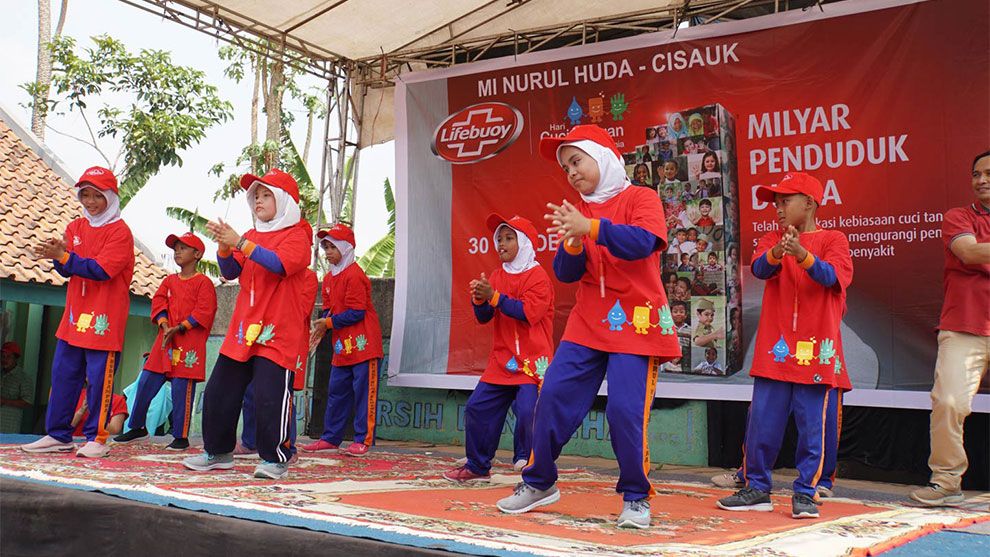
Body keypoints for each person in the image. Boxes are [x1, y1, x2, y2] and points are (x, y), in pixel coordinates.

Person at [495, 124, 680, 529]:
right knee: (553, 397)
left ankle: (635, 497)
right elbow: (565, 271)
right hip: (586, 324)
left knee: (624, 411)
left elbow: (644, 241)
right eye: (566, 168)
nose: (572, 172)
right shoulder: (577, 211)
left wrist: (590, 229)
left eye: (576, 161)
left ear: (604, 156)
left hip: (636, 323)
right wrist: (575, 243)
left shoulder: (640, 198)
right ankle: (540, 481)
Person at [715, 172, 853, 519]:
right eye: (774, 202)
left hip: (815, 352)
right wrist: (780, 250)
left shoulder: (834, 239)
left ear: (809, 203)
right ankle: (757, 488)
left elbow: (833, 277)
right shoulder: (770, 239)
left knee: (812, 428)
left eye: (784, 201)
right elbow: (761, 269)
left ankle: (805, 493)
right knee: (762, 422)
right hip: (775, 351)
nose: (777, 208)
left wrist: (803, 254)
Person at [182, 168, 315, 480]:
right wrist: (225, 248)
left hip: (278, 331)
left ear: (284, 201)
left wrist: (239, 242)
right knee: (219, 392)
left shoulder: (298, 235)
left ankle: (276, 459)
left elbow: (280, 264)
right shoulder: (251, 236)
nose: (258, 200)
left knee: (270, 396)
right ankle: (218, 453)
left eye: (266, 194)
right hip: (244, 330)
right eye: (255, 194)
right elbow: (230, 271)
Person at [22, 167, 135, 458]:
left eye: (97, 195)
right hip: (74, 318)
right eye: (85, 194)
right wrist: (56, 255)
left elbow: (100, 270)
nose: (90, 201)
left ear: (111, 197)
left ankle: (97, 438)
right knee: (62, 377)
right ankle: (58, 435)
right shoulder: (75, 228)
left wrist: (64, 257)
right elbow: (67, 268)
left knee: (99, 382)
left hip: (104, 321)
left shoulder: (121, 232)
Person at [444, 215, 554, 482]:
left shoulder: (538, 277)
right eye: (499, 239)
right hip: (502, 361)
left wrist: (493, 296)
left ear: (525, 243)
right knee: (477, 408)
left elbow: (528, 312)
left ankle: (535, 470)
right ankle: (477, 467)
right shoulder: (496, 276)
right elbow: (484, 317)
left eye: (508, 238)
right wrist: (480, 300)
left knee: (529, 412)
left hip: (531, 362)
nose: (501, 244)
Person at [910, 150, 990, 506]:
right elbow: (969, 253)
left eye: (989, 173)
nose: (982, 180)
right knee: (948, 401)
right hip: (964, 326)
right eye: (976, 174)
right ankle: (946, 481)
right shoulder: (958, 216)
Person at [113, 232, 217, 450]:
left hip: (188, 344)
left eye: (183, 247)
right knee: (145, 383)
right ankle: (137, 427)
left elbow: (205, 311)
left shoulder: (204, 283)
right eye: (176, 247)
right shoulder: (169, 281)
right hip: (164, 343)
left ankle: (180, 436)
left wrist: (180, 327)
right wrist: (164, 325)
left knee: (182, 390)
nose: (177, 251)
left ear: (197, 254)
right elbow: (159, 302)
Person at [303, 223, 383, 457]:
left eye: (332, 247)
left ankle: (363, 440)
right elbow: (329, 310)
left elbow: (357, 312)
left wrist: (327, 324)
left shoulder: (355, 275)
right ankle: (330, 438)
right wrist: (321, 329)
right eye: (325, 247)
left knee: (363, 393)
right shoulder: (328, 279)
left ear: (345, 248)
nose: (327, 252)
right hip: (342, 347)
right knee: (336, 391)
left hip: (364, 346)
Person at [1, 342, 30, 432]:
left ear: (15, 359)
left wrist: (4, 401)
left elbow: (27, 402)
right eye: (3, 356)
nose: (4, 360)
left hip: (9, 426)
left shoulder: (23, 378)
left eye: (8, 357)